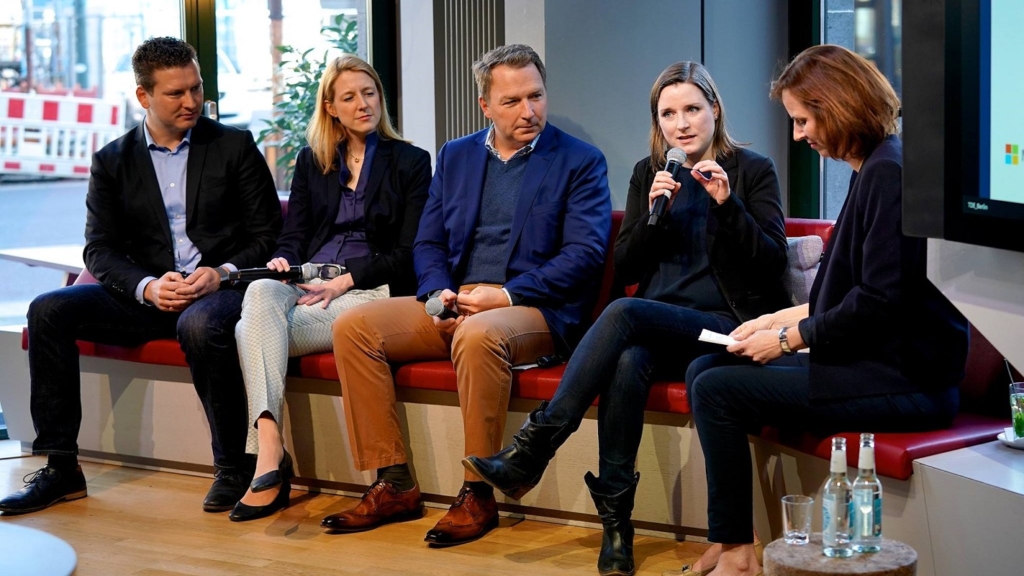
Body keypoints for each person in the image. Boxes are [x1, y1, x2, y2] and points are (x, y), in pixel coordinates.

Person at [463, 61, 789, 575]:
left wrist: (727, 205)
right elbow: (629, 265)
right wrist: (656, 213)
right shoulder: (648, 172)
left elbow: (772, 262)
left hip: (728, 327)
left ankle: (538, 443)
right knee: (627, 358)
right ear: (657, 122)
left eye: (692, 110)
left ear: (714, 110)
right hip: (661, 329)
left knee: (626, 314)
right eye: (668, 113)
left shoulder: (752, 170)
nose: (681, 123)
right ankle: (617, 529)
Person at [678, 45, 969, 576]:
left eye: (802, 119)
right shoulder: (871, 168)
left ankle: (739, 550)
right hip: (869, 364)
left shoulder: (891, 173)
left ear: (837, 106)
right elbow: (844, 294)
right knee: (704, 369)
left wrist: (788, 340)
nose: (797, 134)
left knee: (717, 389)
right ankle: (731, 540)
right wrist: (772, 322)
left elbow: (880, 303)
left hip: (907, 383)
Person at [324, 44, 612, 546]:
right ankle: (393, 483)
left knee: (479, 334)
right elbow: (429, 241)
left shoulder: (580, 161)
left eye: (536, 96)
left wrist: (504, 295)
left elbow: (585, 254)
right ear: (484, 106)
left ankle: (478, 492)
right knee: (354, 326)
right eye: (512, 101)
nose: (529, 111)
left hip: (533, 309)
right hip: (458, 301)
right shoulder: (455, 155)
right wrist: (437, 295)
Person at [0, 37, 282, 516]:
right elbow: (99, 249)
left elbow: (267, 233)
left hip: (218, 290)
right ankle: (62, 466)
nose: (192, 101)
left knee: (199, 324)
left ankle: (232, 466)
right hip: (147, 296)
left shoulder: (233, 145)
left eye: (196, 89)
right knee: (48, 310)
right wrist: (147, 286)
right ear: (143, 96)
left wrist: (220, 273)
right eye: (176, 93)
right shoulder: (112, 160)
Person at [228, 55, 431, 522]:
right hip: (311, 282)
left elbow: (410, 252)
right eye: (350, 97)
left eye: (370, 93)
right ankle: (271, 442)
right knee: (259, 294)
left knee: (247, 332)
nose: (363, 104)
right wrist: (283, 260)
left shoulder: (412, 162)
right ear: (330, 107)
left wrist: (346, 280)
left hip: (371, 289)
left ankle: (266, 459)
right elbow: (294, 236)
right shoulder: (311, 160)